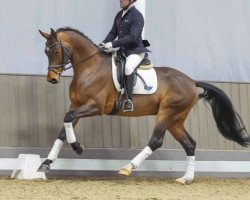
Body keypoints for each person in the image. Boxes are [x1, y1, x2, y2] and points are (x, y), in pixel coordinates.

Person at [101, 0, 150, 112]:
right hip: (122, 51)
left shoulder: (137, 16)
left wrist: (112, 44)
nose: (120, 1)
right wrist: (103, 43)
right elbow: (113, 33)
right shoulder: (119, 15)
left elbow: (132, 37)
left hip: (135, 51)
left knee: (128, 67)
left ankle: (129, 100)